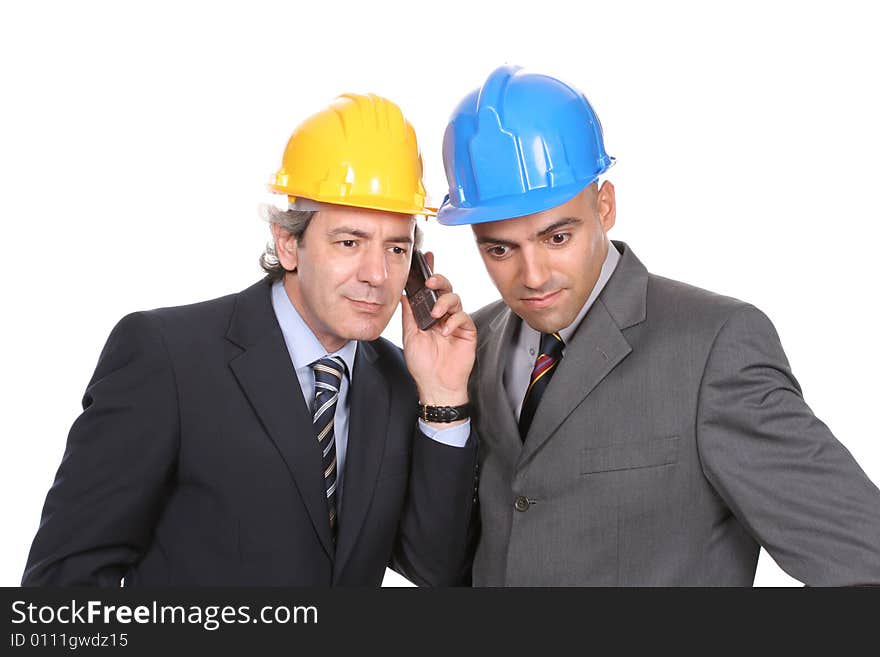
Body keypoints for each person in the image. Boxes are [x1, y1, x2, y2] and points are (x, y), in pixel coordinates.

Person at [437, 65, 880, 586]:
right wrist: (437, 401)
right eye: (499, 249)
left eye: (557, 238)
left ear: (605, 207)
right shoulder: (471, 349)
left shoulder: (713, 347)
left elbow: (863, 557)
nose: (532, 277)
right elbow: (448, 562)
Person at [23, 92, 478, 586]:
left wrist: (444, 398)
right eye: (349, 242)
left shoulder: (402, 380)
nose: (376, 274)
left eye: (396, 248)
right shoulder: (167, 356)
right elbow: (66, 580)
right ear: (289, 243)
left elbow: (437, 569)